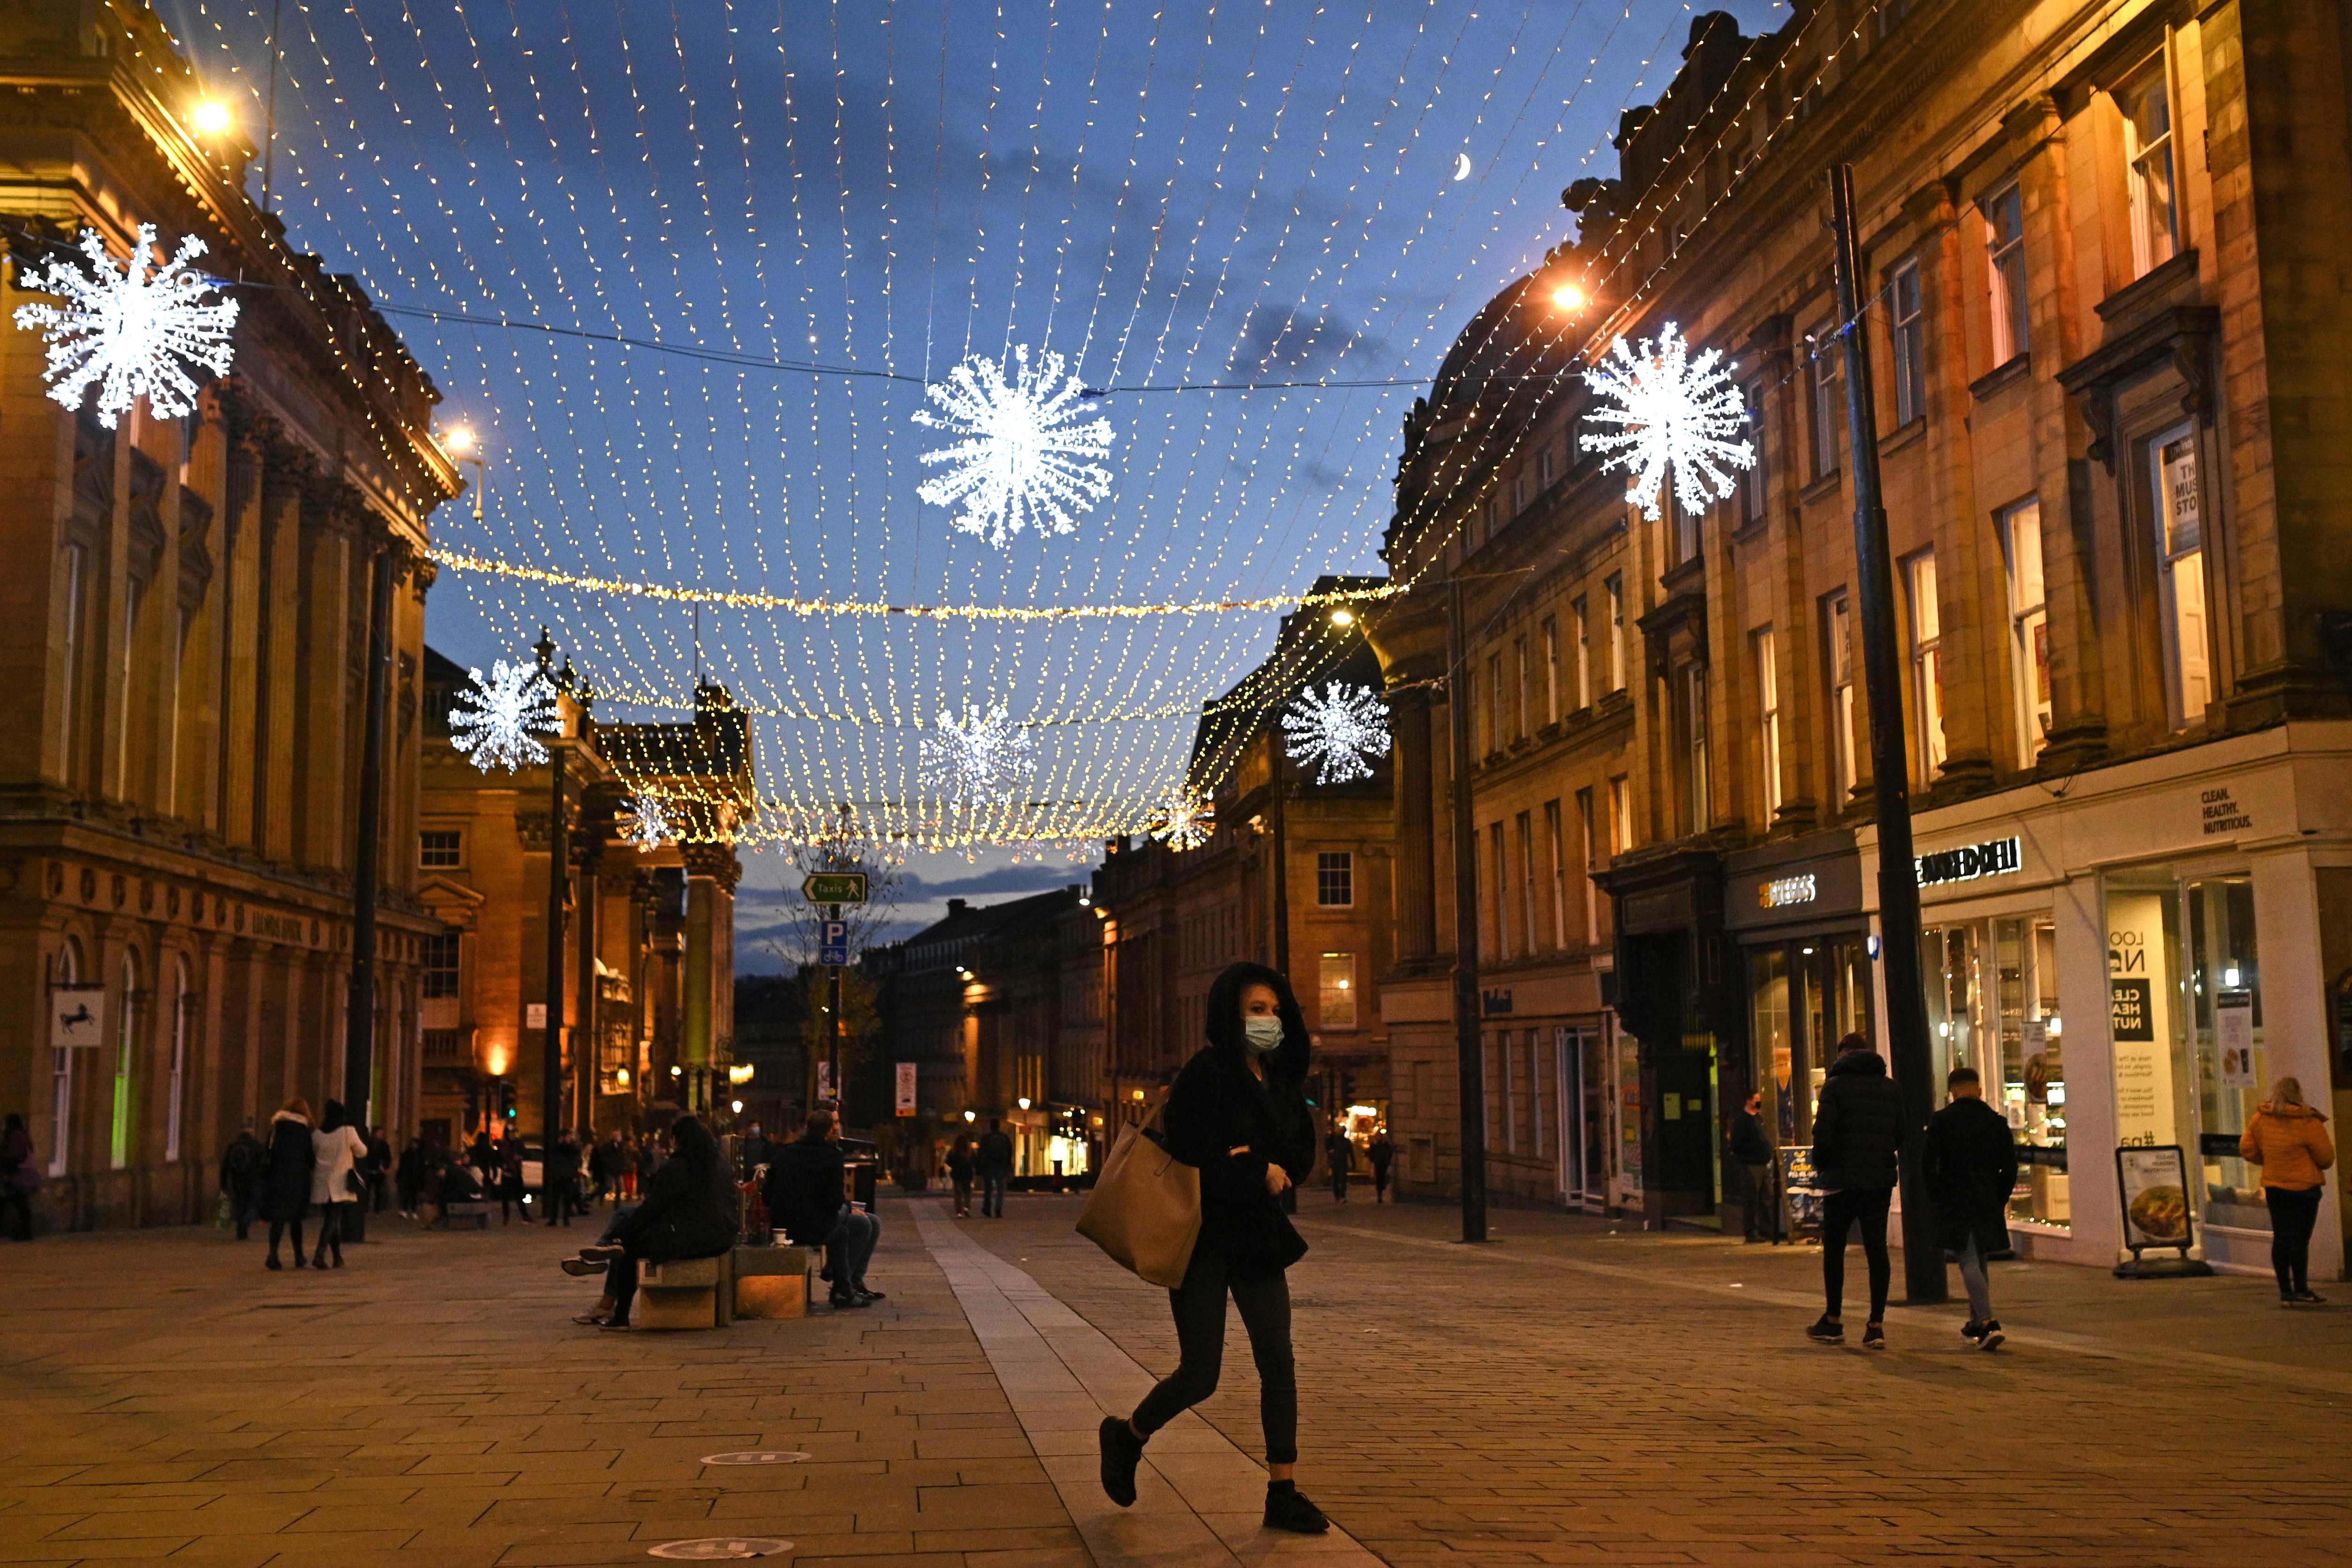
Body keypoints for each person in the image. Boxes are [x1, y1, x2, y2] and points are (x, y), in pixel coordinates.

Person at [1098, 961, 1328, 1536]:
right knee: (1201, 1373)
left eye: (1275, 1010)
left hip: (1257, 1239)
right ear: (1231, 1014)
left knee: (1278, 1359)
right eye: (1257, 1010)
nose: (1269, 1020)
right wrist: (1253, 1165)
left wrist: (1252, 1161)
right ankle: (1126, 1435)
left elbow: (1299, 1158)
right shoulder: (1205, 1073)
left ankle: (1283, 1489)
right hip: (1200, 1237)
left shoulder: (1279, 1079)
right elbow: (1193, 1154)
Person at [561, 1116, 738, 1328]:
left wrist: (623, 1233)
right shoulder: (720, 1165)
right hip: (721, 1237)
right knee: (625, 1215)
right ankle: (606, 1248)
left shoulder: (678, 1167)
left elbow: (652, 1210)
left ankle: (619, 1313)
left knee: (627, 1244)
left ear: (678, 1140)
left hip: (691, 1237)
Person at [1806, 1032, 1902, 1348]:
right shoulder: (1891, 1089)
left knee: (1835, 1249)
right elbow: (1900, 1134)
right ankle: (1876, 1325)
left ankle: (1833, 1320)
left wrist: (1822, 1165)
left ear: (1843, 1055)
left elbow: (1823, 1133)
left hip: (1841, 1180)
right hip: (1878, 1182)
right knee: (1877, 1249)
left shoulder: (1835, 1087)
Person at [1922, 1067, 2019, 1349]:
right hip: (1987, 1198)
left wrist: (1937, 1196)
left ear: (1952, 1092)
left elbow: (1928, 1166)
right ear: (1978, 1090)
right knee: (1981, 1258)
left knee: (1967, 1259)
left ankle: (1989, 1321)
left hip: (1955, 1199)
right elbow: (2009, 1167)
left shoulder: (1942, 1121)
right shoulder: (1996, 1122)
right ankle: (1976, 1323)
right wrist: (2000, 1196)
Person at [766, 1109, 884, 1308]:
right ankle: (843, 1286)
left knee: (870, 1221)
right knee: (852, 1226)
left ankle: (847, 1281)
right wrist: (846, 1208)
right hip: (814, 1225)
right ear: (829, 1130)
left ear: (807, 1128)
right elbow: (834, 1200)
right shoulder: (831, 1156)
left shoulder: (783, 1153)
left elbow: (768, 1195)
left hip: (784, 1224)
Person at [2241, 1076, 2336, 1305]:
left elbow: (2246, 1148)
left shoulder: (2261, 1119)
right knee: (2300, 1239)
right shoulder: (2308, 1122)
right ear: (2298, 1094)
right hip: (2305, 1189)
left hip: (2276, 1187)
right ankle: (2302, 1288)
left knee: (2282, 1237)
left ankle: (2286, 1291)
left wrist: (2269, 1160)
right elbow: (2326, 1159)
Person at [309, 1099, 369, 1268]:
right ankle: (319, 1254)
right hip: (340, 1182)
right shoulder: (347, 1132)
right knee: (333, 1219)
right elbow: (362, 1152)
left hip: (322, 1183)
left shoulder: (317, 1135)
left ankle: (337, 1257)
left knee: (332, 1218)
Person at [262, 1098, 317, 1269]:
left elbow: (267, 1152)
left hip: (277, 1179)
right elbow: (311, 1159)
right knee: (296, 1220)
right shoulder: (304, 1131)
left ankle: (273, 1254)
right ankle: (299, 1256)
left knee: (278, 1219)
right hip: (297, 1180)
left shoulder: (276, 1129)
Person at [1729, 1090, 1780, 1244]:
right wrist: (1750, 1156)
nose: (1759, 1103)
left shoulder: (1758, 1119)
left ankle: (1767, 1230)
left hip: (1763, 1164)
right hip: (1750, 1165)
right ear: (1749, 1101)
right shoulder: (1742, 1121)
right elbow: (1736, 1144)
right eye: (1757, 1100)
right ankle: (1752, 1232)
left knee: (1767, 1197)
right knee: (1752, 1199)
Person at [219, 1123, 263, 1240]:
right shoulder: (257, 1146)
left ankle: (241, 1228)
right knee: (253, 1204)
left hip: (237, 1181)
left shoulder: (233, 1146)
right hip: (253, 1181)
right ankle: (246, 1221)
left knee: (240, 1204)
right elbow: (263, 1165)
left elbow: (226, 1166)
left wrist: (223, 1183)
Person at [1, 1113, 37, 1241]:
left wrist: (7, 1173)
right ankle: (25, 1232)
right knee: (20, 1204)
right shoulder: (23, 1136)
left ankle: (25, 1232)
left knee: (18, 1203)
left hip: (19, 1177)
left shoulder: (16, 1137)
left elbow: (15, 1157)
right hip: (25, 1176)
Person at [977, 1117, 1014, 1218]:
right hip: (1001, 1165)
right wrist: (1008, 1165)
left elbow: (981, 1153)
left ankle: (987, 1208)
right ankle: (998, 1209)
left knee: (988, 1189)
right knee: (1000, 1189)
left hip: (988, 1166)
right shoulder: (1004, 1138)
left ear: (991, 1126)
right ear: (999, 1126)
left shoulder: (986, 1138)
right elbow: (1010, 1151)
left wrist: (980, 1166)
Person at [549, 1129, 584, 1227]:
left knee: (566, 1199)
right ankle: (556, 1219)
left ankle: (564, 1219)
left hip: (567, 1176)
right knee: (558, 1199)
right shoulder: (559, 1148)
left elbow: (577, 1159)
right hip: (561, 1176)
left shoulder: (572, 1148)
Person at [495, 1128, 525, 1223]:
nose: (512, 1135)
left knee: (519, 1196)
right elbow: (501, 1158)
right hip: (508, 1173)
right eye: (510, 1133)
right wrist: (504, 1164)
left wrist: (520, 1157)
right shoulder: (504, 1145)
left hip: (516, 1172)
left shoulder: (518, 1144)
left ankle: (525, 1215)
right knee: (506, 1197)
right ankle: (506, 1217)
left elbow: (525, 1153)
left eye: (514, 1133)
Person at [395, 1137, 427, 1218]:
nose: (414, 1146)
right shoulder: (406, 1154)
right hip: (407, 1178)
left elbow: (422, 1168)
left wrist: (422, 1179)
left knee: (414, 1195)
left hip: (416, 1178)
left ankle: (413, 1210)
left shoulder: (420, 1155)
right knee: (406, 1195)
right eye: (412, 1144)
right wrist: (399, 1177)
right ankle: (405, 1210)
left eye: (415, 1144)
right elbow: (402, 1167)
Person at [946, 1132, 976, 1219]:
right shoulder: (970, 1152)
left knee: (958, 1193)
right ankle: (966, 1207)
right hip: (968, 1174)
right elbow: (975, 1161)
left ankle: (959, 1212)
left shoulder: (954, 1151)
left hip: (957, 1174)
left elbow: (948, 1161)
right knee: (968, 1192)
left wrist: (954, 1166)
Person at [365, 1127, 392, 1214]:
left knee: (379, 1191)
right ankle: (366, 1208)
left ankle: (377, 1209)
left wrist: (385, 1167)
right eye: (379, 1133)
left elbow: (388, 1157)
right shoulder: (368, 1143)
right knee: (367, 1191)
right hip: (369, 1170)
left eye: (381, 1133)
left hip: (379, 1171)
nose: (380, 1135)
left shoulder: (384, 1145)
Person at [1324, 1126, 1353, 1203]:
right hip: (1335, 1162)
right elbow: (1327, 1145)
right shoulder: (1333, 1140)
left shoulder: (1347, 1141)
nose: (1341, 1132)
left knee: (1343, 1180)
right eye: (1340, 1131)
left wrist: (1351, 1162)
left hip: (1343, 1162)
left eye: (1342, 1131)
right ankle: (1337, 1195)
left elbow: (1350, 1153)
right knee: (1336, 1180)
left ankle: (1342, 1195)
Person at [1366, 1130, 1393, 1204]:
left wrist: (1388, 1159)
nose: (1379, 1137)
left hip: (1384, 1163)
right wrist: (1372, 1161)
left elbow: (1390, 1151)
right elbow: (1371, 1153)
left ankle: (1382, 1189)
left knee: (1382, 1177)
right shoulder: (1375, 1144)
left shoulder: (1385, 1144)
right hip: (1378, 1163)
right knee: (1379, 1178)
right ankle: (1380, 1194)